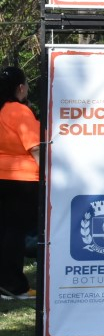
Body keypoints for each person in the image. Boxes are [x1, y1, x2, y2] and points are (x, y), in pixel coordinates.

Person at [0, 66, 39, 300]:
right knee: (16, 234)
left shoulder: (2, 110)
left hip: (3, 178)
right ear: (21, 88)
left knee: (5, 231)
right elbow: (35, 147)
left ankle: (6, 283)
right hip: (22, 180)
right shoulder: (20, 111)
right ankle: (14, 286)